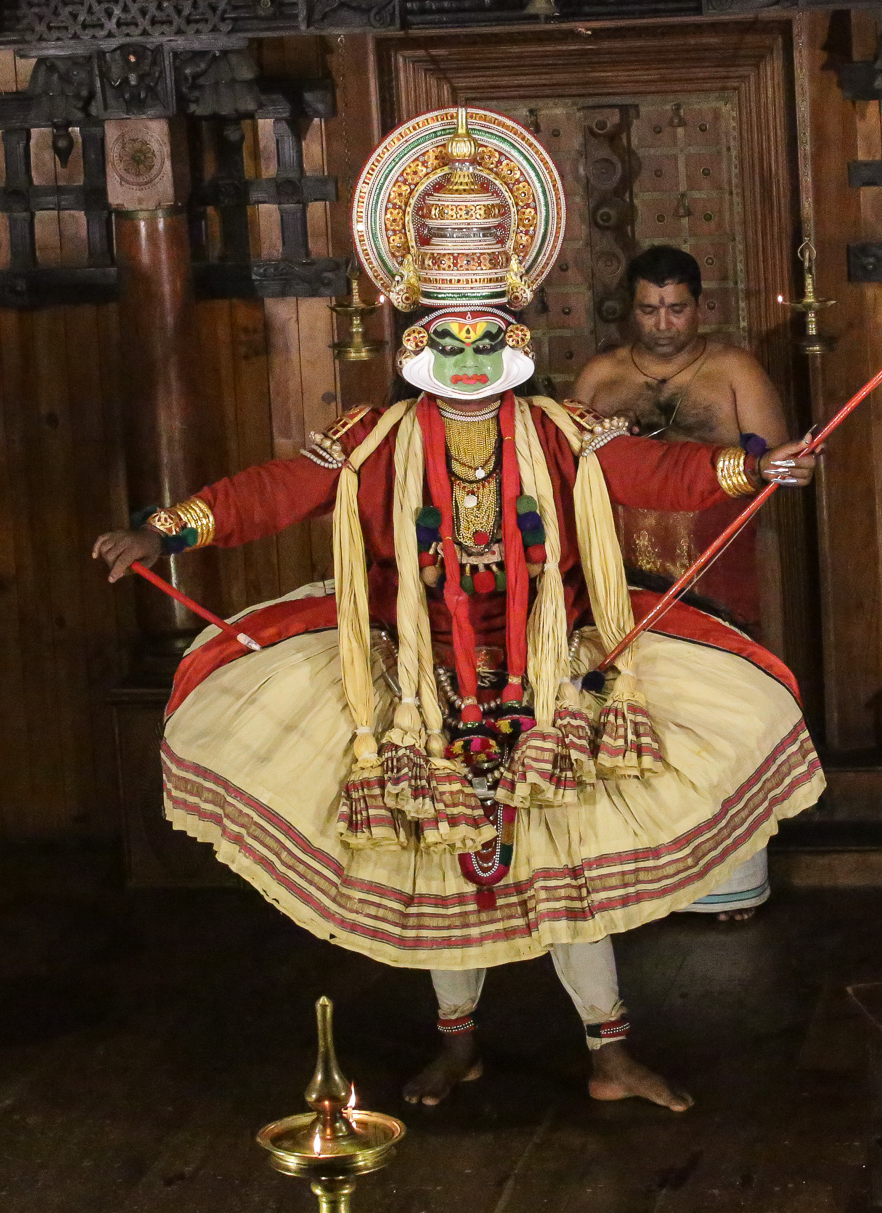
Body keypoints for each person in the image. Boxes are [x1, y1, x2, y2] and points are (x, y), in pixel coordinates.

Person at [93, 108, 824, 1113]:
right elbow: (274, 491)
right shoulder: (372, 436)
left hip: (554, 677)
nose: (471, 352)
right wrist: (166, 529)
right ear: (419, 337)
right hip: (414, 688)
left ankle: (609, 1054)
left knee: (571, 868)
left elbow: (659, 472)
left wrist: (753, 465)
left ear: (516, 335)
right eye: (451, 334)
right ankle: (459, 1044)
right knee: (441, 863)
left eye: (488, 334)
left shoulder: (564, 429)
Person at [572, 245, 794, 921]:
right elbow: (562, 461)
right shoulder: (602, 374)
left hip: (713, 563)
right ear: (630, 308)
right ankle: (639, 883)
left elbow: (772, 461)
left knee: (718, 708)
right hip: (624, 569)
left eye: (676, 307)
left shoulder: (732, 369)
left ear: (699, 305)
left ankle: (729, 879)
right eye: (649, 308)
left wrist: (779, 467)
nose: (663, 322)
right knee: (627, 707)